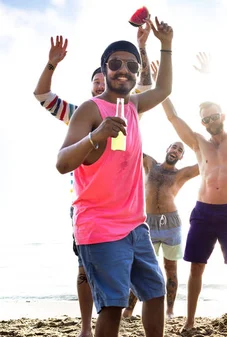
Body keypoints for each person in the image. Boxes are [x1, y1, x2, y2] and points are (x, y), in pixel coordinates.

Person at [55, 16, 174, 337]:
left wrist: (165, 45)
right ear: (104, 68)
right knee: (112, 306)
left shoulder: (134, 105)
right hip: (99, 226)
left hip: (135, 224)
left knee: (155, 292)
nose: (124, 70)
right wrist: (97, 136)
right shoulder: (90, 110)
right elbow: (62, 162)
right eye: (116, 63)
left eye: (132, 66)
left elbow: (164, 88)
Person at [33, 23, 152, 337]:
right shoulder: (79, 113)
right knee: (85, 270)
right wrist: (52, 64)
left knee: (132, 278)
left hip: (127, 211)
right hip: (90, 208)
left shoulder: (129, 107)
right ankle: (86, 326)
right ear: (92, 87)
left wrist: (143, 48)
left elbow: (147, 86)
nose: (103, 84)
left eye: (106, 80)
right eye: (97, 81)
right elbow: (42, 95)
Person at [159, 53, 227, 332]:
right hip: (203, 211)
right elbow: (173, 117)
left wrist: (215, 75)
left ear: (221, 116)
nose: (209, 122)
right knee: (196, 267)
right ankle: (188, 322)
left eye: (213, 116)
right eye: (205, 120)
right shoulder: (199, 143)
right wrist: (160, 90)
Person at [122, 140, 199, 319]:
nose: (176, 150)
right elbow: (131, 148)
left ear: (181, 157)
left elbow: (206, 163)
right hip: (148, 223)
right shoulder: (150, 164)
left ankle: (170, 310)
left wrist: (200, 143)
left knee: (170, 268)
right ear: (167, 149)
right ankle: (129, 310)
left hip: (171, 224)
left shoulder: (181, 174)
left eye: (180, 150)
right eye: (174, 147)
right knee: (139, 266)